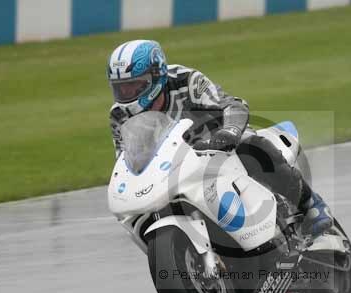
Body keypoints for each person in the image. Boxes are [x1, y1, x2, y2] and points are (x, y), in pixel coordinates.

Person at [107, 39, 333, 237]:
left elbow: (233, 105)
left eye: (134, 85)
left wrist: (230, 132)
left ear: (157, 76)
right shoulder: (119, 115)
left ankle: (310, 204)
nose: (127, 94)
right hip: (173, 166)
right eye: (121, 88)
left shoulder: (187, 81)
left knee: (251, 145)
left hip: (216, 144)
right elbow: (126, 160)